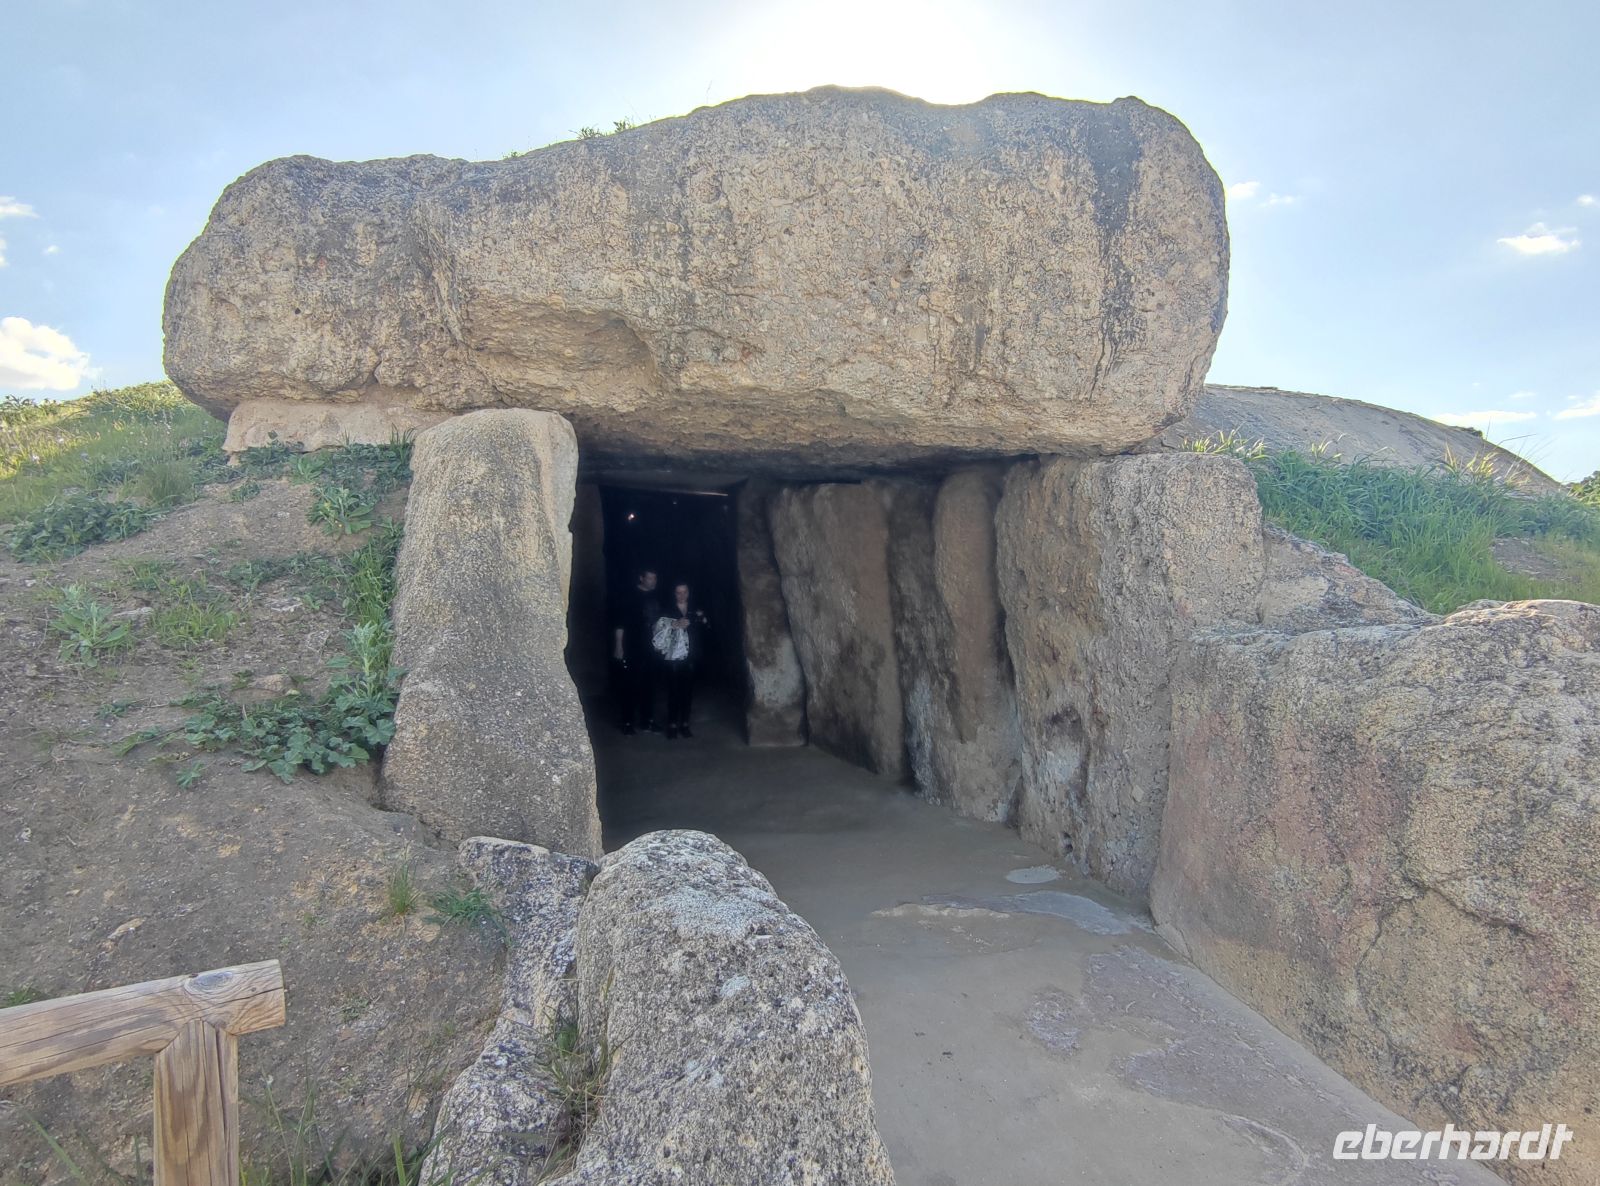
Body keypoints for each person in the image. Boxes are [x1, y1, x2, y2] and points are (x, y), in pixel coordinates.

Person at [653, 581, 709, 739]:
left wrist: (703, 619)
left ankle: (684, 723)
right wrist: (675, 624)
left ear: (689, 592)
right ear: (674, 594)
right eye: (679, 592)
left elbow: (707, 630)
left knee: (688, 692)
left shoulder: (695, 609)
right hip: (673, 656)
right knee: (673, 691)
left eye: (684, 591)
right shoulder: (667, 610)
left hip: (691, 656)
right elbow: (657, 629)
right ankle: (672, 724)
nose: (682, 595)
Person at [613, 568, 661, 734]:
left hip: (650, 648)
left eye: (655, 578)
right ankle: (627, 722)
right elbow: (620, 623)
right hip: (632, 646)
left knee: (649, 685)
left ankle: (648, 720)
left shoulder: (655, 596)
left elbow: (658, 622)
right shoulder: (629, 596)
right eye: (650, 578)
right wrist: (619, 646)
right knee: (630, 685)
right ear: (641, 578)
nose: (653, 581)